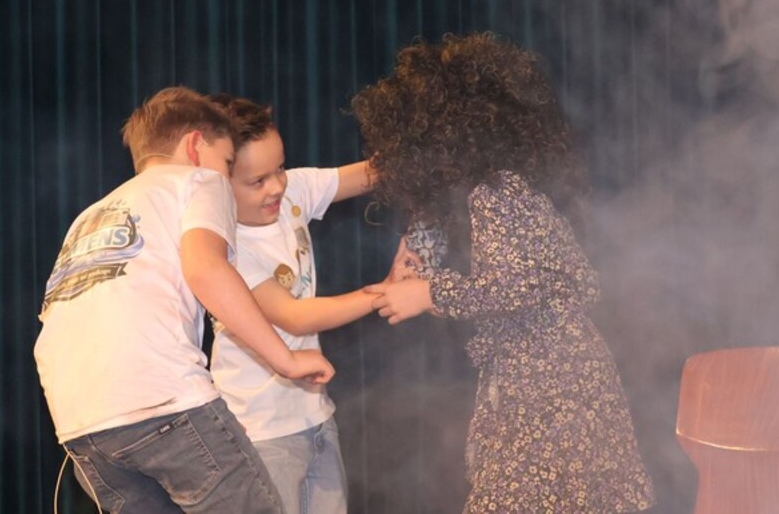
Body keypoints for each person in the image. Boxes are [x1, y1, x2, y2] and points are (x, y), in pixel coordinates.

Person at [352, 33, 656, 513]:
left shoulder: (495, 195)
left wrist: (431, 293)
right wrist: (417, 247)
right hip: (544, 378)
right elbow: (442, 256)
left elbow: (520, 283)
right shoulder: (490, 192)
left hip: (552, 385)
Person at [34, 86, 334, 513]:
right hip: (161, 400)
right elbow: (206, 268)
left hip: (80, 424)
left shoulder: (90, 216)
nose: (225, 177)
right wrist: (285, 359)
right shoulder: (198, 181)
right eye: (227, 162)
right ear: (195, 146)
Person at [207, 94, 380, 514]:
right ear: (217, 186)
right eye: (257, 181)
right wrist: (383, 293)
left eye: (280, 168)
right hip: (261, 432)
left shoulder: (291, 193)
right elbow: (295, 316)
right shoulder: (225, 248)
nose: (277, 187)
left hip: (316, 417)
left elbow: (370, 175)